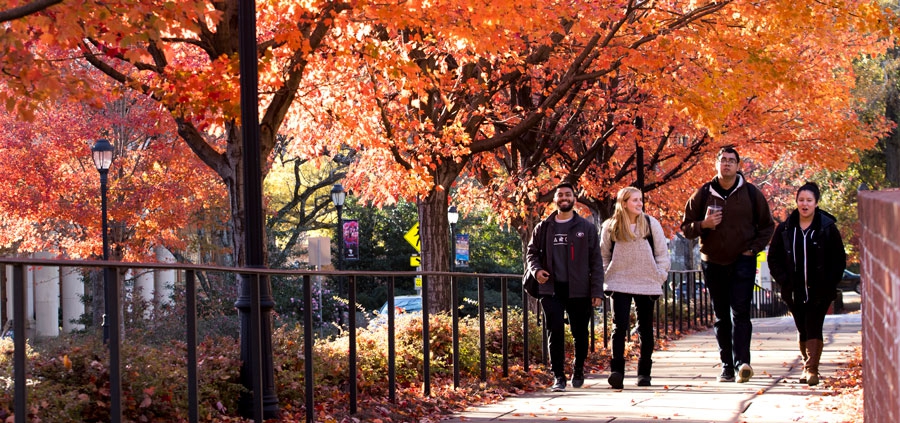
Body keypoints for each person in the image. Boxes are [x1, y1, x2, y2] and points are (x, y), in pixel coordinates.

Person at [680, 147, 775, 383]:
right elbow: (686, 228)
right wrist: (704, 224)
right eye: (723, 160)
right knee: (721, 316)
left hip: (743, 260)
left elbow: (767, 226)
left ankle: (743, 362)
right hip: (712, 262)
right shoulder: (703, 193)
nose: (727, 164)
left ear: (738, 165)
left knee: (741, 312)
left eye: (731, 161)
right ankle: (726, 366)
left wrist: (752, 249)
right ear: (716, 164)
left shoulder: (751, 194)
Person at [525, 182, 604, 392]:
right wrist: (536, 271)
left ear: (574, 199)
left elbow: (596, 261)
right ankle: (558, 376)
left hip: (580, 289)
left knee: (580, 332)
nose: (564, 198)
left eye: (568, 195)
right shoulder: (543, 227)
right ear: (555, 200)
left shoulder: (586, 228)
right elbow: (531, 254)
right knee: (555, 331)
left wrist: (597, 291)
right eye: (560, 195)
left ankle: (578, 368)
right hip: (551, 290)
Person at [767, 182, 846, 386]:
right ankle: (806, 365)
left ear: (816, 203)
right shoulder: (785, 229)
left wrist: (829, 284)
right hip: (794, 290)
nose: (805, 204)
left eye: (809, 200)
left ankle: (812, 370)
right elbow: (773, 257)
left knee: (814, 325)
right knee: (802, 327)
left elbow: (838, 260)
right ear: (796, 202)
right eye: (801, 200)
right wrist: (784, 281)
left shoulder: (827, 228)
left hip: (820, 290)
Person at [600, 187, 670, 389]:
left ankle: (644, 373)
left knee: (645, 328)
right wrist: (607, 275)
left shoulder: (650, 224)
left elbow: (662, 254)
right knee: (619, 326)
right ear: (624, 203)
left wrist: (660, 275)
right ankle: (617, 371)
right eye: (635, 200)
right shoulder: (610, 226)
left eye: (641, 200)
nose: (639, 204)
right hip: (619, 281)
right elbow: (603, 255)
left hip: (647, 281)